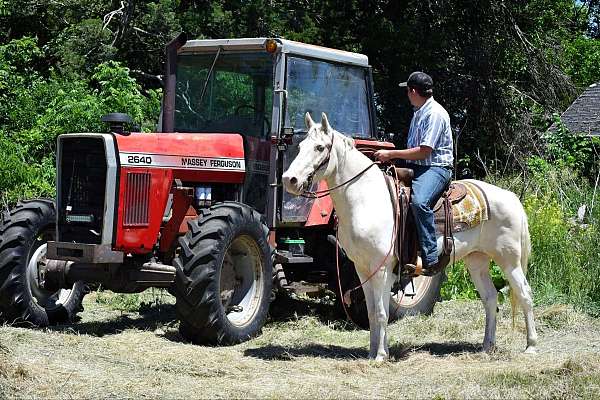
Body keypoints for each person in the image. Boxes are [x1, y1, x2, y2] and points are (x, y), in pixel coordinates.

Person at [374, 71, 454, 275]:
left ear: (413, 91)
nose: (407, 95)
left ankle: (431, 258)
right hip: (418, 166)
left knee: (419, 202)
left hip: (435, 168)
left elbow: (424, 151)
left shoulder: (434, 113)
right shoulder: (419, 111)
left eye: (408, 91)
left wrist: (391, 154)